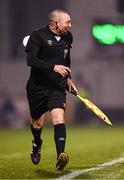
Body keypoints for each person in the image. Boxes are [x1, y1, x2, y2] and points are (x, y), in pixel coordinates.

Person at [25, 9, 77, 170]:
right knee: (37, 123)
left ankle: (60, 155)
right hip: (37, 87)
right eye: (67, 22)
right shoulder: (37, 36)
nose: (70, 25)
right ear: (56, 23)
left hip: (57, 87)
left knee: (58, 118)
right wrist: (53, 67)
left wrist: (68, 78)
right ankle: (37, 143)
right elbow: (31, 60)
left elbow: (66, 59)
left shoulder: (68, 37)